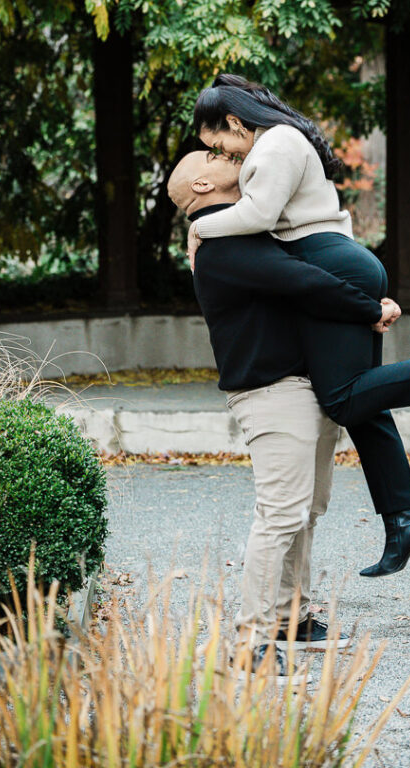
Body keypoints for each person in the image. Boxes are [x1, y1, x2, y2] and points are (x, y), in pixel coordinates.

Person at [187, 74, 410, 576]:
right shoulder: (282, 140)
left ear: (234, 122)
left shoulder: (275, 143)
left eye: (223, 145)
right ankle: (402, 521)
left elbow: (257, 214)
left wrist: (197, 227)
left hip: (328, 263)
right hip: (336, 261)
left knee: (340, 396)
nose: (229, 157)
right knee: (365, 400)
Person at [168, 150, 397, 680]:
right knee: (279, 515)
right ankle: (251, 642)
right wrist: (372, 309)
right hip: (271, 392)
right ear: (203, 183)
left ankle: (293, 619)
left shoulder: (236, 229)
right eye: (213, 154)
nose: (229, 152)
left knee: (306, 509)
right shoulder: (220, 241)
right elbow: (301, 280)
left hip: (299, 387)